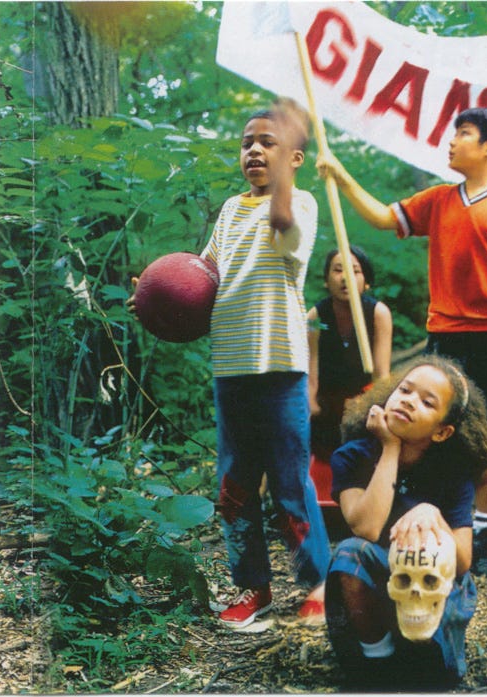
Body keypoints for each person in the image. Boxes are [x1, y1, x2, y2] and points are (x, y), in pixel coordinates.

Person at [131, 100, 332, 629]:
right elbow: (202, 278)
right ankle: (255, 591)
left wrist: (286, 171)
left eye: (269, 142)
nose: (255, 150)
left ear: (295, 159)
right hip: (232, 367)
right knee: (235, 486)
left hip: (280, 365)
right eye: (247, 143)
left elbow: (284, 223)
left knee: (291, 481)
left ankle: (321, 583)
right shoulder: (230, 210)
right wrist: (156, 299)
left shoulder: (301, 204)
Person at [318, 107, 487, 577]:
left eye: (463, 133)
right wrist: (341, 175)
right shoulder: (439, 199)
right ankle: (437, 510)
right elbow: (383, 217)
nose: (452, 141)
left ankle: (485, 529)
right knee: (441, 426)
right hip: (446, 332)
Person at [324, 355, 487, 690]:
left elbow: (462, 562)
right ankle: (377, 662)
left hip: (429, 587)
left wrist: (433, 513)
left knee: (433, 677)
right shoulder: (353, 456)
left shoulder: (452, 470)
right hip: (377, 581)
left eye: (426, 402)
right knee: (349, 553)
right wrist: (390, 449)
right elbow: (367, 528)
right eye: (404, 390)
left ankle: (421, 656)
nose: (408, 401)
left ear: (442, 432)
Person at [307, 245, 393, 462]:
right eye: (338, 270)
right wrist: (310, 406)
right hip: (325, 408)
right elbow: (311, 374)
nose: (345, 277)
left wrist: (372, 409)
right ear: (326, 280)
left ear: (367, 281)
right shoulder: (316, 316)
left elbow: (381, 376)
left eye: (354, 271)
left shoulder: (378, 314)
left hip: (362, 407)